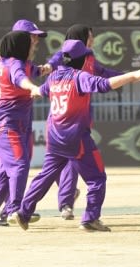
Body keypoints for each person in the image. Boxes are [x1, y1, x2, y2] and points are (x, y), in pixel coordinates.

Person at [9, 40, 140, 232]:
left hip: (55, 137)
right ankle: (90, 218)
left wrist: (32, 90)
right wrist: (133, 75)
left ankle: (23, 212)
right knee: (97, 179)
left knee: (45, 175)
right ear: (82, 59)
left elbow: (40, 92)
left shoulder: (54, 77)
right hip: (76, 137)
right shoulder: (79, 77)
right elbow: (106, 84)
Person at [46, 25, 123, 220]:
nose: (93, 40)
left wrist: (130, 76)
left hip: (81, 117)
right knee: (65, 163)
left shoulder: (89, 58)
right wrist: (46, 67)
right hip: (61, 119)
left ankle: (65, 200)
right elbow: (52, 62)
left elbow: (104, 72)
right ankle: (65, 202)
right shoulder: (65, 56)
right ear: (81, 38)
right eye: (90, 37)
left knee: (70, 163)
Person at [0, 19, 49, 224]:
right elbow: (21, 78)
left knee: (8, 170)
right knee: (18, 165)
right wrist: (33, 88)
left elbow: (32, 70)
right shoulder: (14, 64)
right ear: (20, 40)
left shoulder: (12, 61)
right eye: (33, 36)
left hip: (15, 123)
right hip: (6, 124)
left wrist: (49, 67)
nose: (36, 41)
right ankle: (13, 209)